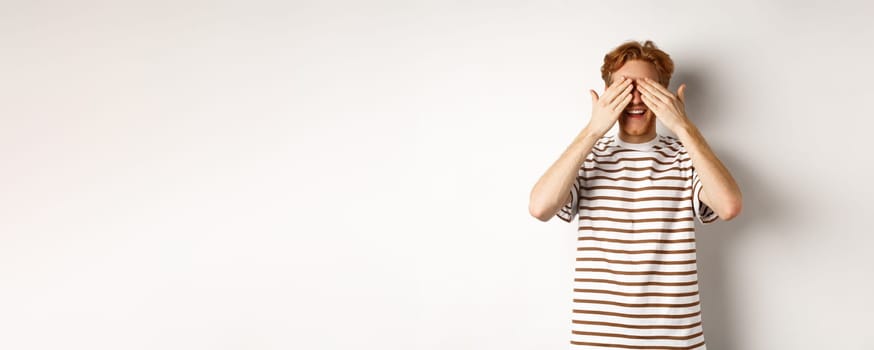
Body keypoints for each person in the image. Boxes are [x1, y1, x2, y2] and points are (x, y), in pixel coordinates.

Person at [528, 40, 742, 349]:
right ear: (607, 96)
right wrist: (592, 130)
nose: (636, 99)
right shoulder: (587, 157)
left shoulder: (687, 157)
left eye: (648, 88)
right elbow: (540, 207)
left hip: (675, 343)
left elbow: (729, 206)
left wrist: (683, 126)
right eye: (625, 88)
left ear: (665, 96)